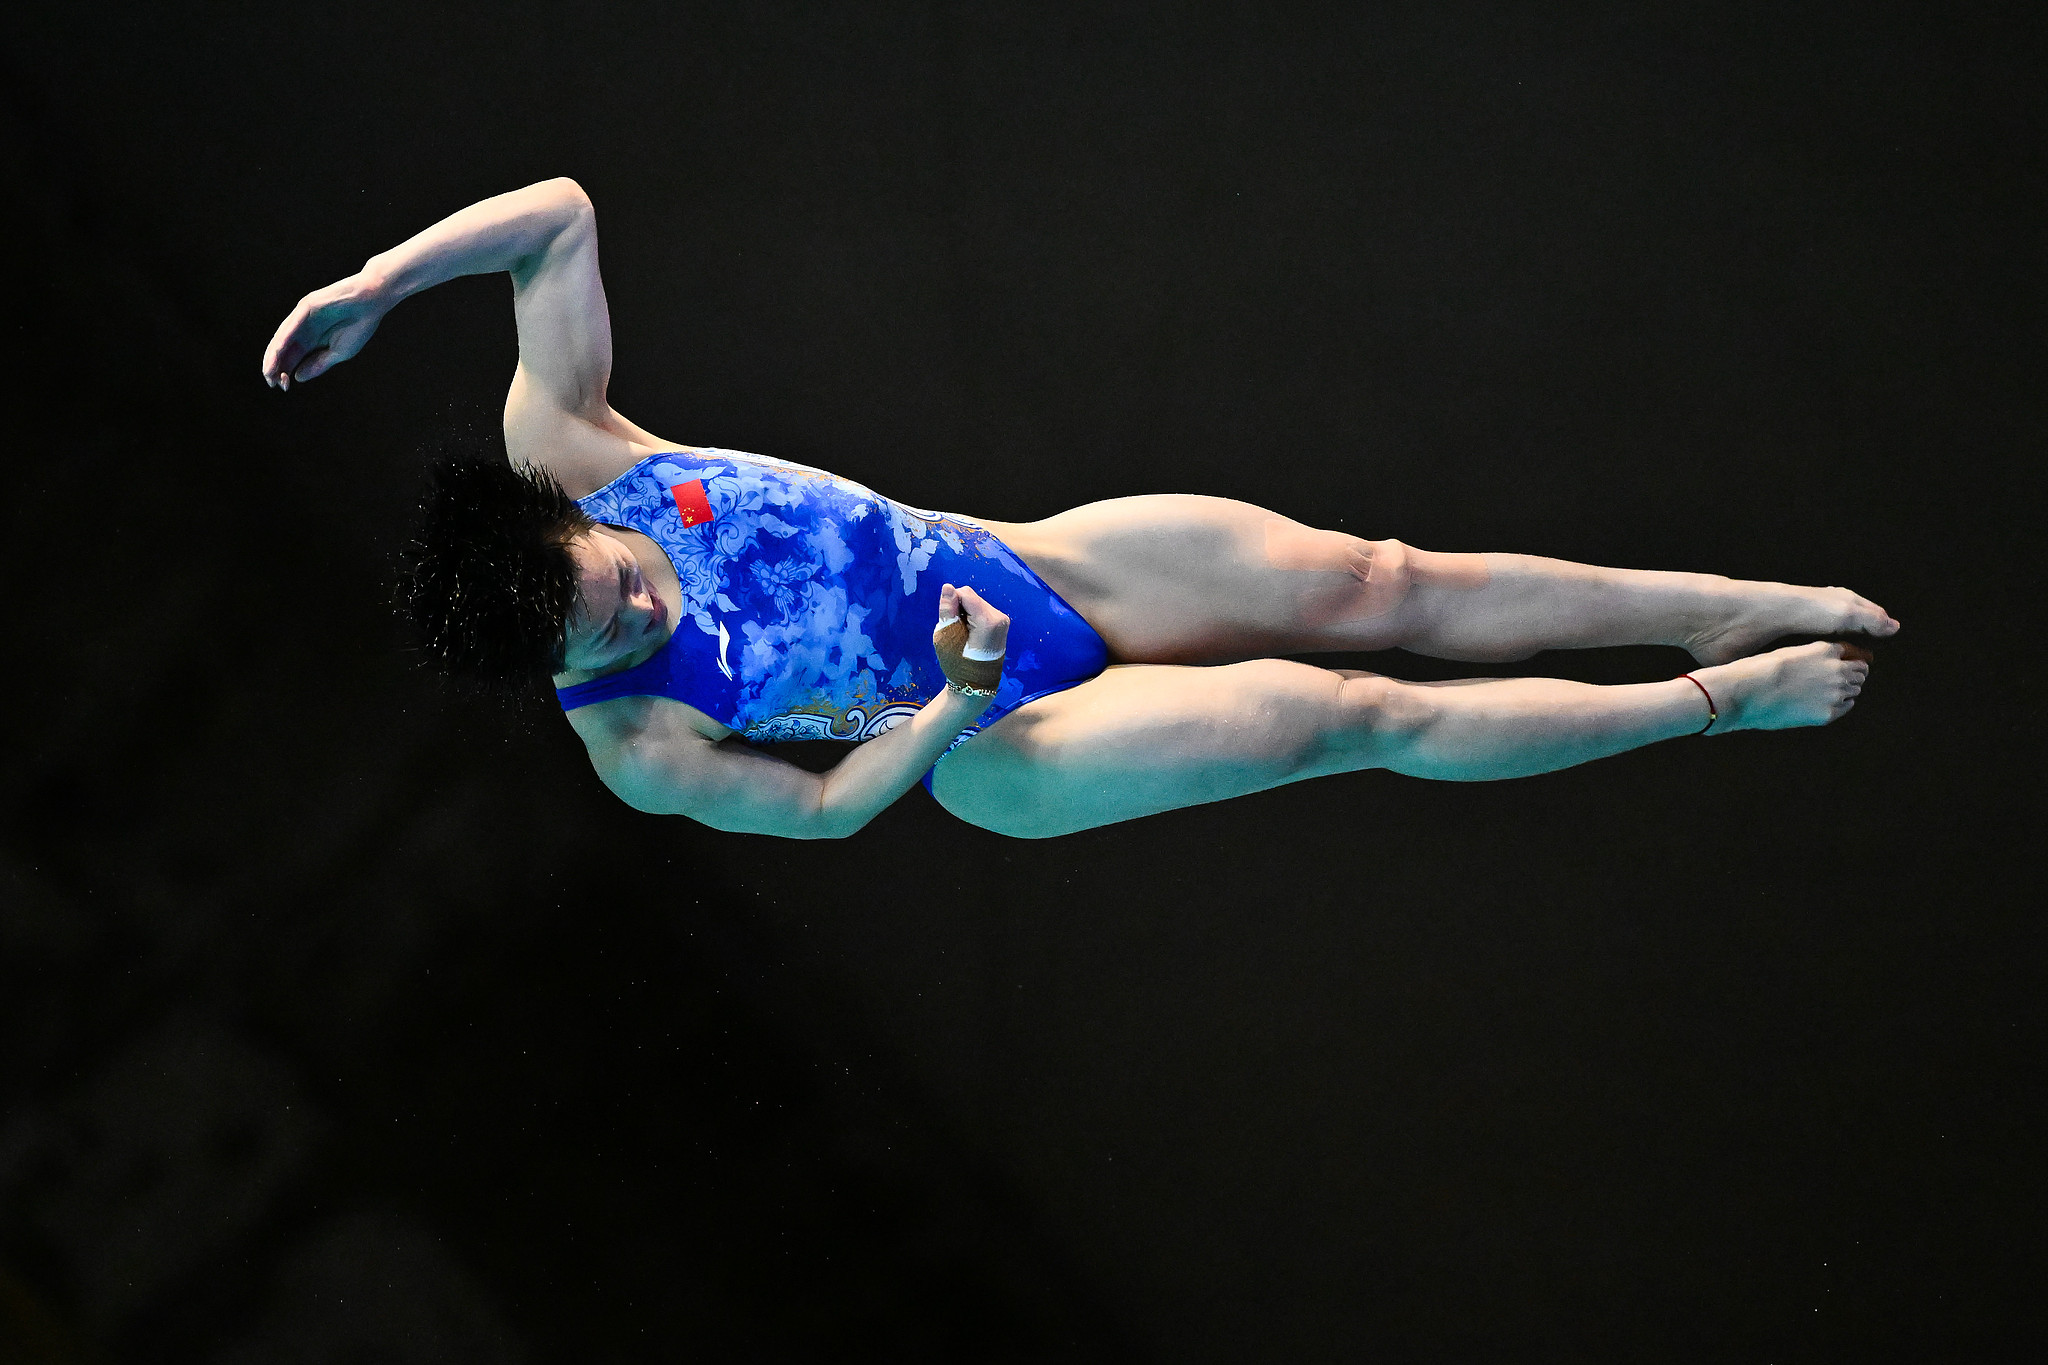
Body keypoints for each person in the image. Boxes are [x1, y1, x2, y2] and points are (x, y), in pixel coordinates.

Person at [262, 178, 1896, 840]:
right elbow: (827, 814)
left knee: (1384, 579)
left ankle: (1719, 599)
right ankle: (1712, 702)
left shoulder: (569, 435)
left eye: (604, 575)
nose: (632, 604)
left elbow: (556, 218)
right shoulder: (631, 739)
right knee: (1347, 710)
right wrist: (957, 699)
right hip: (997, 745)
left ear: (557, 515)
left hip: (1042, 562)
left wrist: (379, 281)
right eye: (598, 631)